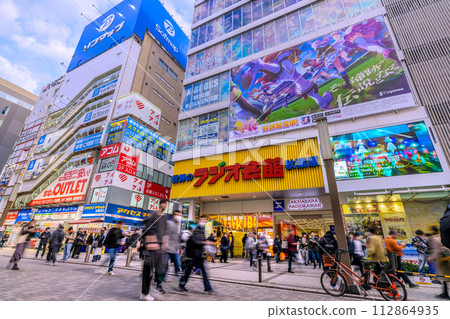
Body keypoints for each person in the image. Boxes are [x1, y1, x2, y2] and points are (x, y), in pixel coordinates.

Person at [177, 217, 215, 294]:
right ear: (199, 221)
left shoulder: (201, 231)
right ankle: (181, 285)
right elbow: (195, 241)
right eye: (202, 220)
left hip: (199, 255)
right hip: (193, 254)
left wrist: (207, 242)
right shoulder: (195, 230)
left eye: (204, 220)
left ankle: (208, 288)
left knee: (202, 272)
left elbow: (203, 240)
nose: (203, 222)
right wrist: (204, 243)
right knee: (188, 271)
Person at [140, 200, 168, 301]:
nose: (166, 206)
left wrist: (164, 243)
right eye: (165, 204)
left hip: (160, 249)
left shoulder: (164, 217)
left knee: (160, 270)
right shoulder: (153, 215)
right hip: (152, 247)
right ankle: (144, 293)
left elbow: (165, 231)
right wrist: (151, 243)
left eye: (167, 204)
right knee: (148, 271)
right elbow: (147, 229)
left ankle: (156, 287)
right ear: (161, 204)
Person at [428, 226, 450, 299]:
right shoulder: (440, 237)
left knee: (444, 277)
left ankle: (445, 294)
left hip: (441, 261)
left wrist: (431, 258)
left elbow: (436, 251)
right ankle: (445, 293)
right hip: (445, 260)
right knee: (445, 278)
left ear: (433, 231)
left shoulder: (434, 239)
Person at [166, 210, 182, 276]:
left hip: (174, 249)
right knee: (164, 266)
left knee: (178, 264)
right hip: (167, 248)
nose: (179, 217)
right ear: (173, 216)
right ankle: (159, 281)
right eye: (177, 215)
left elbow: (177, 236)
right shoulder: (168, 223)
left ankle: (178, 276)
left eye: (180, 215)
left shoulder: (178, 224)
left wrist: (178, 245)